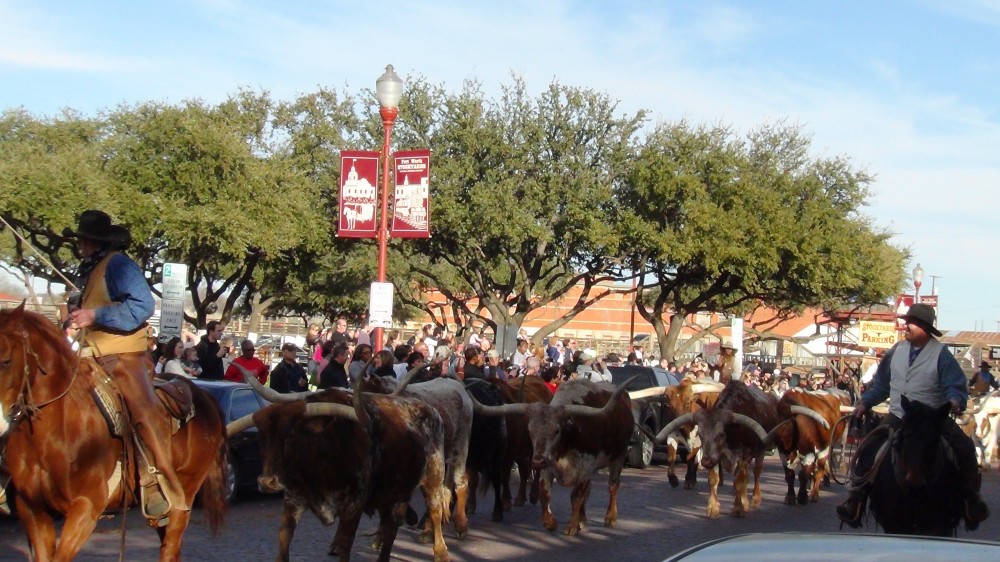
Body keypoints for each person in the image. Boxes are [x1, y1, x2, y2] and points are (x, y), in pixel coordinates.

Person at [59, 210, 185, 521]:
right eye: (81, 240)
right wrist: (75, 318)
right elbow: (86, 310)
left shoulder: (118, 265)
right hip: (87, 356)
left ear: (96, 241)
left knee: (139, 411)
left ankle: (152, 480)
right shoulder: (87, 270)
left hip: (124, 357)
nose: (82, 246)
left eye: (86, 241)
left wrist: (95, 315)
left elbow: (142, 306)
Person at [836, 303, 989, 529]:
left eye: (912, 322)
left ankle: (970, 500)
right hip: (900, 413)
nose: (906, 325)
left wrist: (956, 400)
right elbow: (881, 385)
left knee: (963, 446)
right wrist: (865, 403)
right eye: (907, 321)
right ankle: (856, 498)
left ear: (925, 328)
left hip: (932, 416)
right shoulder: (895, 351)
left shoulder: (941, 355)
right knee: (870, 446)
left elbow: (955, 386)